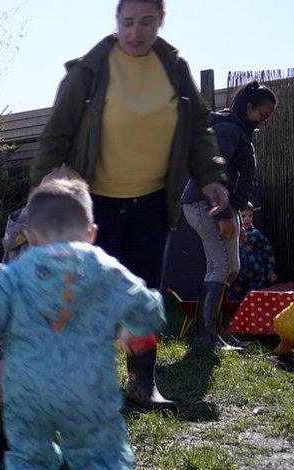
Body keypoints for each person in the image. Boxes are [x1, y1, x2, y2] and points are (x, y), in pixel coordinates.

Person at [30, 0, 229, 410]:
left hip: (153, 203)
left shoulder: (174, 70)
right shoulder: (88, 72)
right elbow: (55, 136)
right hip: (94, 205)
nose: (136, 32)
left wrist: (211, 177)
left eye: (146, 22)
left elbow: (197, 129)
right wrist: (42, 197)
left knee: (142, 293)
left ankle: (142, 382)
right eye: (128, 22)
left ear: (161, 20)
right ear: (116, 21)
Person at [0, 168, 165, 470]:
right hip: (89, 390)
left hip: (28, 389)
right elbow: (147, 307)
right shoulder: (104, 266)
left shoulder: (15, 273)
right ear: (91, 233)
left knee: (30, 448)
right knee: (100, 457)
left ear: (31, 236)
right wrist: (135, 330)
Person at [181, 82, 278, 349]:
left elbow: (237, 178)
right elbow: (213, 173)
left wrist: (235, 216)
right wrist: (224, 215)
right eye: (263, 115)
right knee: (221, 267)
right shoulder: (227, 128)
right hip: (206, 205)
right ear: (249, 108)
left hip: (224, 208)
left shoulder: (239, 131)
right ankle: (205, 335)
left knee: (230, 269)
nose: (265, 121)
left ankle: (219, 331)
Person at [229, 202, 278, 301]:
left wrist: (271, 270)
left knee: (257, 298)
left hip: (256, 273)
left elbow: (267, 252)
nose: (247, 219)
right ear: (237, 217)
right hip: (239, 275)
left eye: (250, 216)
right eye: (244, 216)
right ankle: (238, 315)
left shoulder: (256, 234)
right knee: (236, 299)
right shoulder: (233, 235)